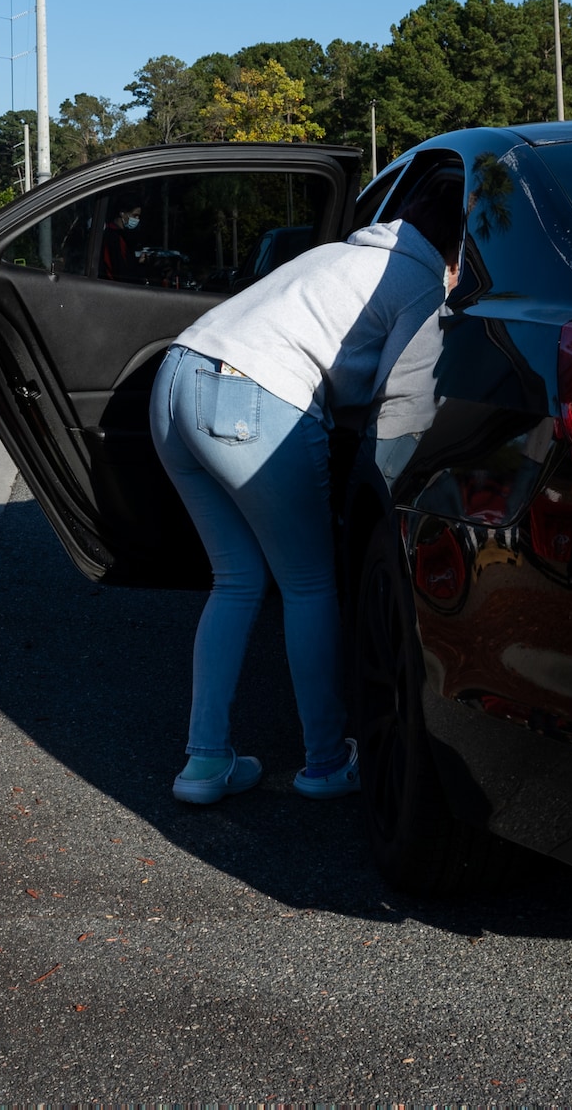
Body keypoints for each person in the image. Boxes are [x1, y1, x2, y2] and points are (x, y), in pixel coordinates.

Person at [149, 198, 463, 805]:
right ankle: (324, 762)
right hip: (252, 394)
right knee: (310, 585)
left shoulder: (338, 254)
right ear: (456, 257)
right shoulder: (423, 284)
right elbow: (400, 395)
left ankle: (204, 762)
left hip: (174, 377)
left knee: (235, 580)